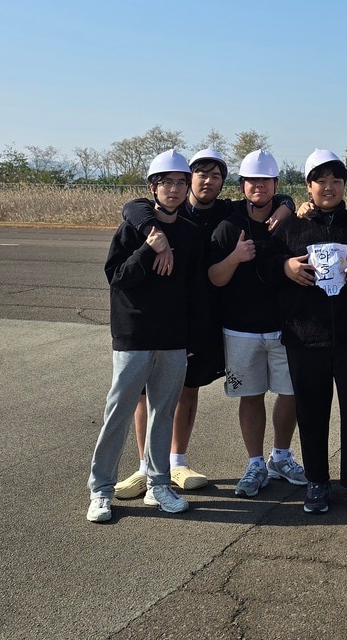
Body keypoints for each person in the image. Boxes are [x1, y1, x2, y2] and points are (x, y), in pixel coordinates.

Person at [114, 148, 293, 499]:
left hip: (205, 315)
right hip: (154, 316)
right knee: (143, 393)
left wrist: (285, 204)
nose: (207, 181)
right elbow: (132, 206)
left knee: (187, 387)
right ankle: (144, 465)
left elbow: (268, 195)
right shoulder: (164, 213)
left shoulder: (227, 212)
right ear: (185, 179)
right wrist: (155, 234)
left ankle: (176, 461)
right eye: (199, 175)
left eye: (215, 176)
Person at [262, 149, 347, 518]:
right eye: (321, 180)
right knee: (312, 413)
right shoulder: (289, 228)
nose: (329, 187)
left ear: (345, 185)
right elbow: (265, 268)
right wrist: (283, 266)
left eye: (336, 180)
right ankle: (317, 481)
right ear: (308, 186)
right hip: (305, 338)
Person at [86, 150, 207, 521]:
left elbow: (194, 291)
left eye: (180, 183)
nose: (173, 189)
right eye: (166, 182)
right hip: (134, 335)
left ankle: (158, 485)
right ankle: (101, 490)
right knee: (118, 412)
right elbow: (117, 279)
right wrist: (148, 248)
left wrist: (191, 341)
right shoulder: (134, 228)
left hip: (173, 339)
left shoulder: (190, 233)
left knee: (163, 413)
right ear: (153, 187)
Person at [206, 150, 307, 496]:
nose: (258, 186)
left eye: (265, 181)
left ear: (275, 184)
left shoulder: (290, 222)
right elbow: (215, 278)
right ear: (243, 185)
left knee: (290, 392)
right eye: (252, 181)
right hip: (240, 329)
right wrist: (235, 258)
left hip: (285, 326)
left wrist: (288, 206)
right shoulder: (228, 227)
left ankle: (281, 456)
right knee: (250, 396)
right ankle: (255, 463)